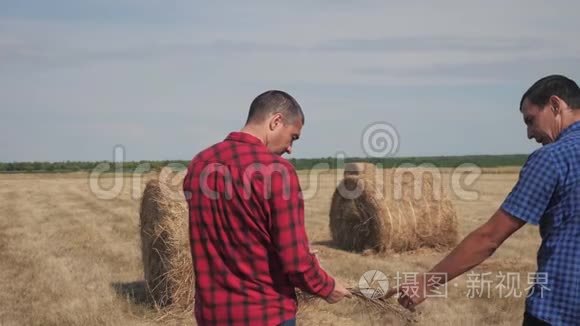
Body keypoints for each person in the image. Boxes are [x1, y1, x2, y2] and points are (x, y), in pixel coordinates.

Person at [387, 75, 580, 325]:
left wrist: (426, 282)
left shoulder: (553, 158)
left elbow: (489, 238)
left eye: (530, 121)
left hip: (560, 312)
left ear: (556, 105)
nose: (530, 134)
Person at [183, 90, 351, 326]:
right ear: (276, 121)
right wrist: (326, 287)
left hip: (212, 315)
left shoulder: (199, 164)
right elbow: (296, 262)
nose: (290, 148)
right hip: (265, 315)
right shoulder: (277, 172)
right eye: (293, 137)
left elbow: (232, 238)